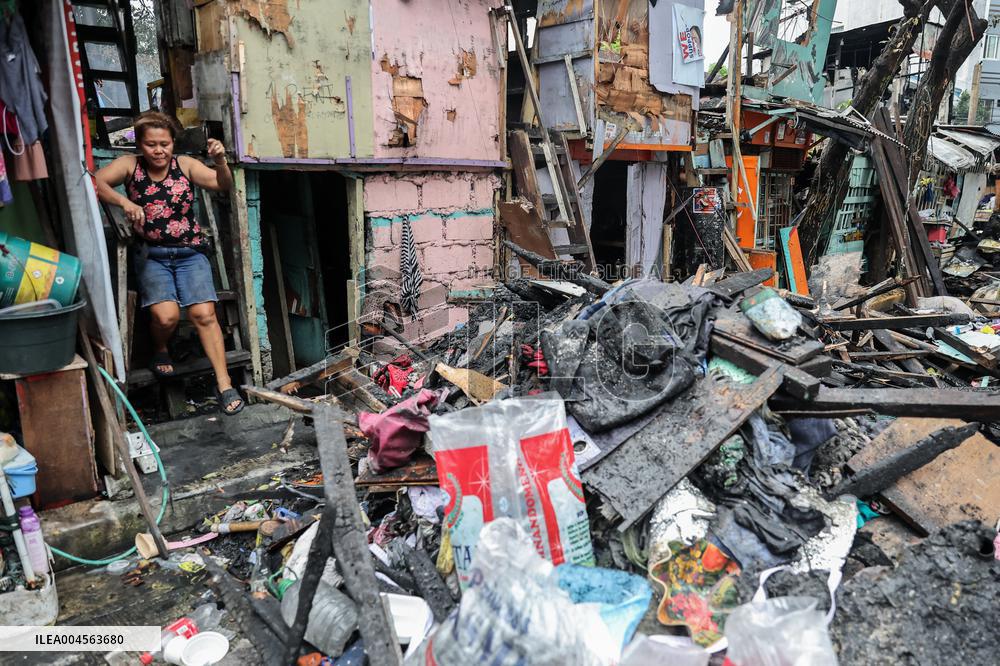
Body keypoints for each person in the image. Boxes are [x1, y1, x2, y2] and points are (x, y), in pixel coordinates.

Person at [95, 111, 243, 415]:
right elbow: (95, 181)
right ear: (141, 145)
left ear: (173, 142)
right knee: (166, 318)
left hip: (190, 253)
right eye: (151, 144)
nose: (159, 150)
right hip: (152, 255)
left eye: (164, 143)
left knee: (204, 314)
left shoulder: (185, 165)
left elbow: (221, 184)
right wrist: (124, 202)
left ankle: (225, 383)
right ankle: (161, 348)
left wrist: (221, 161)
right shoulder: (129, 166)